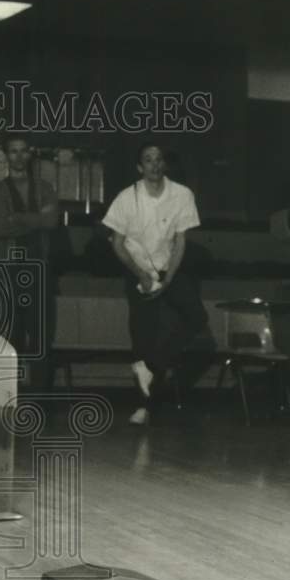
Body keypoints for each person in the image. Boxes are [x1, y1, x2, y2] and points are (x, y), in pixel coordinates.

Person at [103, 141, 209, 425]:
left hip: (168, 270)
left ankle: (153, 365)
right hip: (137, 271)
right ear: (140, 167)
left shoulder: (182, 194)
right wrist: (141, 276)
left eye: (159, 159)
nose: (154, 164)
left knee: (196, 317)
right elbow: (117, 243)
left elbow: (181, 241)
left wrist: (168, 279)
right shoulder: (126, 198)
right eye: (148, 160)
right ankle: (144, 407)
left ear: (165, 164)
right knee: (143, 338)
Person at [0, 135, 60, 390]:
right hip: (10, 269)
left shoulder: (45, 188)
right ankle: (10, 393)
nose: (19, 157)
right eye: (13, 152)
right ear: (7, 156)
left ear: (30, 154)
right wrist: (35, 218)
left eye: (23, 151)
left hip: (40, 269)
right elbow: (2, 228)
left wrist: (17, 218)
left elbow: (51, 222)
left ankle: (40, 398)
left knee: (41, 335)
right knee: (12, 334)